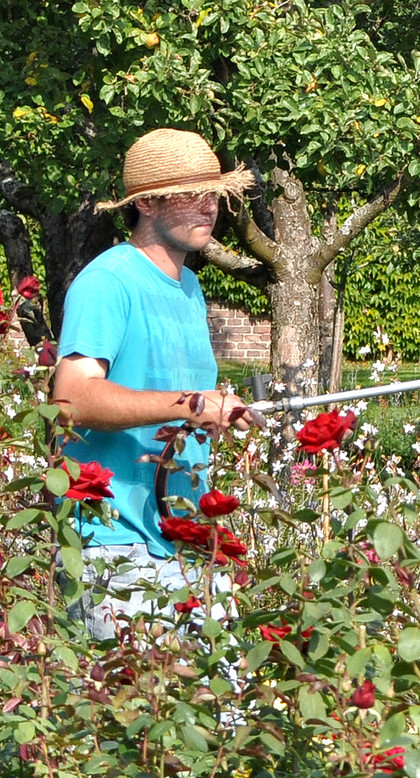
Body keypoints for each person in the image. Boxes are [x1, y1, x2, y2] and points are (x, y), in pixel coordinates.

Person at [52, 128, 257, 640]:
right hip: (114, 541)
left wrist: (214, 411)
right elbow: (71, 398)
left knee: (225, 710)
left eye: (214, 193)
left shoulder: (189, 287)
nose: (209, 207)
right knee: (143, 716)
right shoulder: (108, 281)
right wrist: (189, 404)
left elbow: (169, 408)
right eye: (192, 193)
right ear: (145, 202)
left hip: (185, 538)